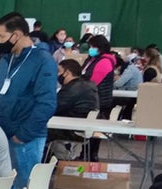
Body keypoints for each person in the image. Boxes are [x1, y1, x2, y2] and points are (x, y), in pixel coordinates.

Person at [0, 12, 56, 189]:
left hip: (26, 138)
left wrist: (23, 134)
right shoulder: (7, 60)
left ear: (16, 35)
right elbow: (1, 94)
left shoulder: (43, 61)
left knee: (25, 188)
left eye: (2, 36)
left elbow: (46, 103)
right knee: (7, 187)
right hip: (3, 133)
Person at [81, 34, 116, 162]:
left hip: (99, 101)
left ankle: (91, 155)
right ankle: (85, 153)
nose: (90, 49)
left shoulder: (105, 61)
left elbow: (93, 81)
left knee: (94, 132)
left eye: (92, 46)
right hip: (93, 98)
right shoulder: (92, 59)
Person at [48, 59, 98, 143]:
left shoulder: (72, 89)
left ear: (67, 72)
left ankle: (48, 155)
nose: (57, 74)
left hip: (71, 129)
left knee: (35, 129)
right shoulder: (89, 84)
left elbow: (53, 108)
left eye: (59, 71)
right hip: (83, 126)